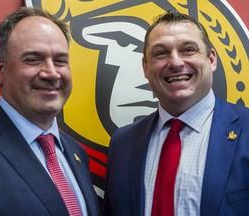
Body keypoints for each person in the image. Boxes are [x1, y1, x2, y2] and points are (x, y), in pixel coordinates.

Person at [102, 10, 249, 216]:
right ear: (145, 67)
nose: (176, 62)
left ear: (212, 59)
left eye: (188, 49)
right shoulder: (122, 142)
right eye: (161, 53)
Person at [0, 7, 100, 216]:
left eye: (61, 60)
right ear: (0, 70)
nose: (52, 73)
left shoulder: (75, 152)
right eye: (33, 59)